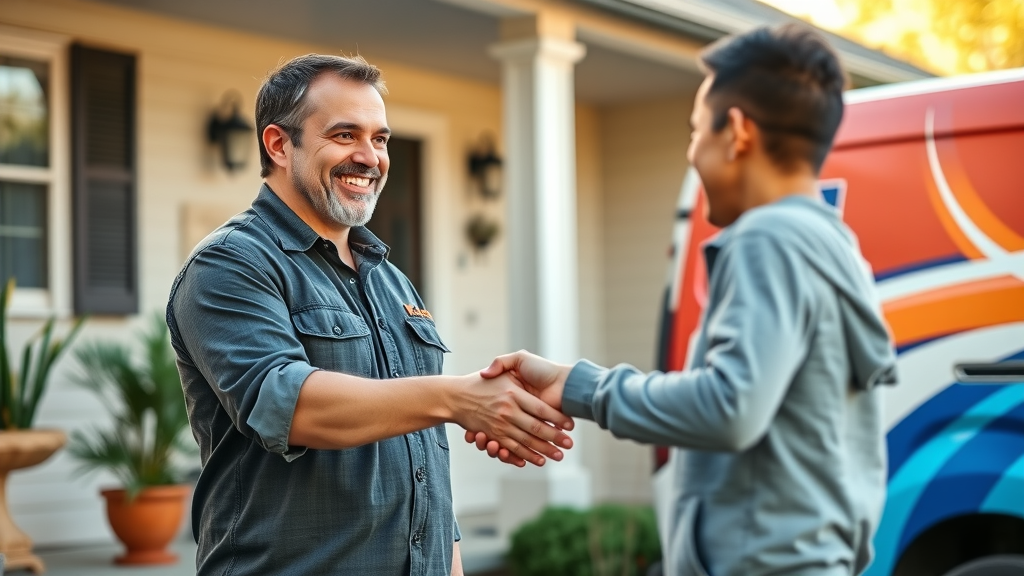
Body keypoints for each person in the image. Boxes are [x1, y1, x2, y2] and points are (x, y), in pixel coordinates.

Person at [469, 24, 898, 576]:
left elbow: (731, 407)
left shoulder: (769, 240)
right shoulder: (835, 247)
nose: (692, 151)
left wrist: (582, 387)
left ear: (737, 132)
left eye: (696, 131)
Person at [166, 54, 574, 576]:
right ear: (278, 145)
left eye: (380, 139)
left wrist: (448, 563)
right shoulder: (230, 265)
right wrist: (458, 398)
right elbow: (287, 406)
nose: (369, 156)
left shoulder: (390, 278)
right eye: (344, 135)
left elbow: (425, 454)